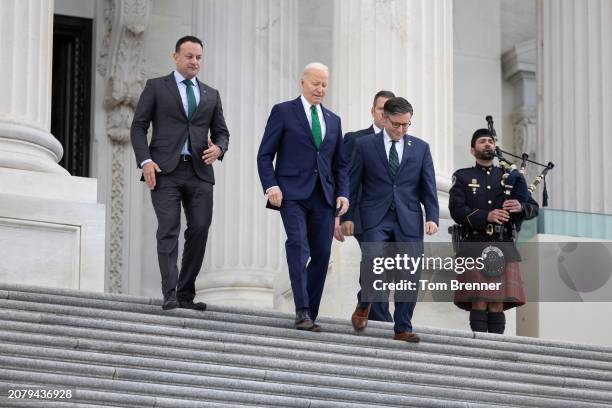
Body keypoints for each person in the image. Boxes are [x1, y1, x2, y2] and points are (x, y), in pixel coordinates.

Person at [130, 36, 229, 311]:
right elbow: (138, 127)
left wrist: (219, 149)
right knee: (169, 229)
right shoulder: (156, 87)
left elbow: (222, 132)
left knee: (199, 229)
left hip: (199, 172)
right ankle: (170, 293)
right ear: (175, 57)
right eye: (189, 56)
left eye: (198, 57)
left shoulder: (211, 94)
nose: (194, 62)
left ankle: (186, 294)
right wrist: (145, 161)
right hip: (164, 170)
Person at [257, 62, 349, 332]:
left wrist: (343, 193)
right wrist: (270, 185)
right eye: (315, 83)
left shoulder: (333, 120)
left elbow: (340, 163)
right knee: (298, 245)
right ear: (303, 82)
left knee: (322, 253)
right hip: (291, 194)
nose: (320, 89)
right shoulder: (284, 112)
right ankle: (302, 310)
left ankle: (311, 312)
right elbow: (264, 155)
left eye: (324, 84)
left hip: (324, 196)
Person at [342, 97, 439, 342]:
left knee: (409, 273)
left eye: (406, 125)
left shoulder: (421, 147)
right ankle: (365, 301)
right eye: (397, 124)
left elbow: (428, 186)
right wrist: (347, 217)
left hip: (409, 218)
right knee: (373, 261)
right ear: (384, 118)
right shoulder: (364, 145)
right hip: (375, 216)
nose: (401, 130)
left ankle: (403, 326)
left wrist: (433, 216)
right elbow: (352, 184)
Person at [449, 129, 539, 334]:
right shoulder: (462, 177)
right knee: (479, 299)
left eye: (490, 141)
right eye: (482, 141)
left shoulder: (510, 177)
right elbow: (457, 210)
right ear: (473, 150)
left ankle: (497, 350)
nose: (488, 144)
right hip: (474, 243)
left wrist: (520, 207)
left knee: (497, 301)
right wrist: (486, 216)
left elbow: (533, 207)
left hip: (503, 244)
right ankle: (480, 348)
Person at [336, 90, 396, 323]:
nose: (385, 114)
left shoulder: (403, 144)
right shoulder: (355, 139)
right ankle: (381, 317)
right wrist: (342, 216)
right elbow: (345, 179)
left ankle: (365, 303)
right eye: (381, 109)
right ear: (373, 111)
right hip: (365, 216)